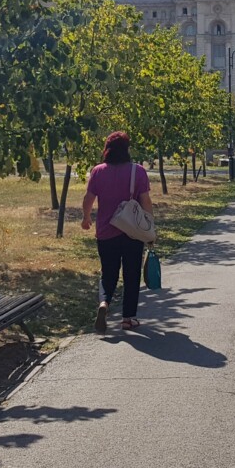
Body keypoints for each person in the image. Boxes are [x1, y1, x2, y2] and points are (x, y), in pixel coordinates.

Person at [81, 132, 154, 332]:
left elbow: (88, 198)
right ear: (127, 149)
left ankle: (104, 303)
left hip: (105, 232)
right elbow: (145, 201)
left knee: (108, 273)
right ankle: (128, 319)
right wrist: (150, 227)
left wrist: (86, 218)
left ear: (107, 149)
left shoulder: (98, 171)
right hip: (132, 232)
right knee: (131, 274)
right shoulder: (137, 171)